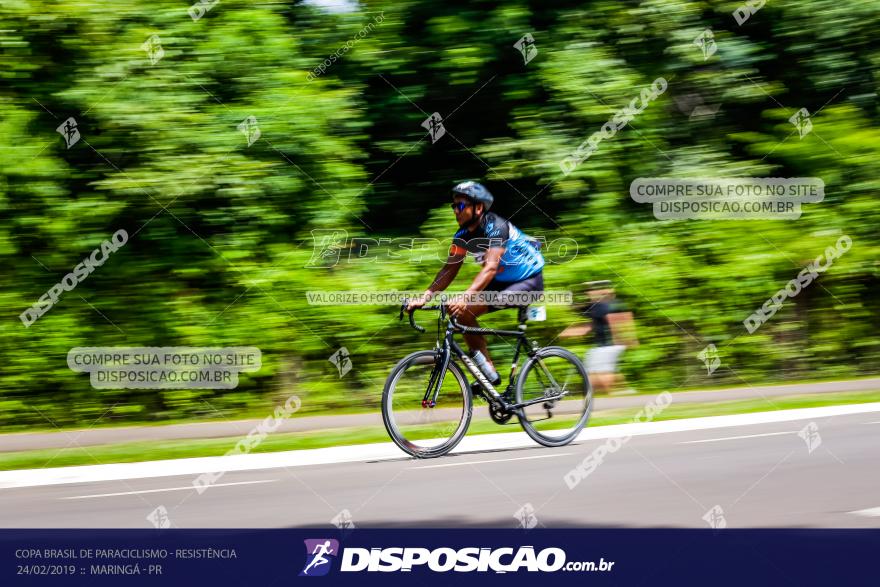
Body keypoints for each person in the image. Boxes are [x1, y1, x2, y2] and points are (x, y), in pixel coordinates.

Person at [406, 181, 544, 385]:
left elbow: (490, 268)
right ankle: (488, 376)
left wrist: (464, 297)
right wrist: (424, 297)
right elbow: (449, 269)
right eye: (454, 206)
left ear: (478, 207)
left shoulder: (496, 227)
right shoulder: (462, 236)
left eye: (460, 206)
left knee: (464, 307)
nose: (455, 210)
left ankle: (488, 375)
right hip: (501, 282)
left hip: (528, 281)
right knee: (461, 314)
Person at [562, 282, 638, 394]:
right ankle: (623, 392)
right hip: (605, 346)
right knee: (594, 374)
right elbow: (592, 324)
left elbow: (585, 316)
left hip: (607, 346)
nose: (588, 293)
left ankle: (617, 393)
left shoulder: (601, 305)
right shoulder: (602, 305)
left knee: (600, 374)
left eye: (590, 291)